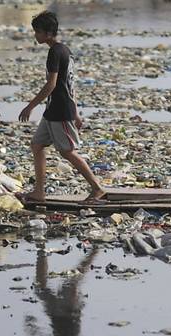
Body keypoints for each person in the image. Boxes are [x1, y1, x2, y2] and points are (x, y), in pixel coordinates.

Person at [18, 11, 106, 204]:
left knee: (67, 151)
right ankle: (39, 192)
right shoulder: (64, 50)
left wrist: (30, 106)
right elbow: (70, 84)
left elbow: (53, 84)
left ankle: (97, 188)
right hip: (53, 110)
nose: (36, 35)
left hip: (60, 111)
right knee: (37, 145)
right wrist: (77, 112)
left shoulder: (56, 52)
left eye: (38, 32)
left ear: (48, 33)